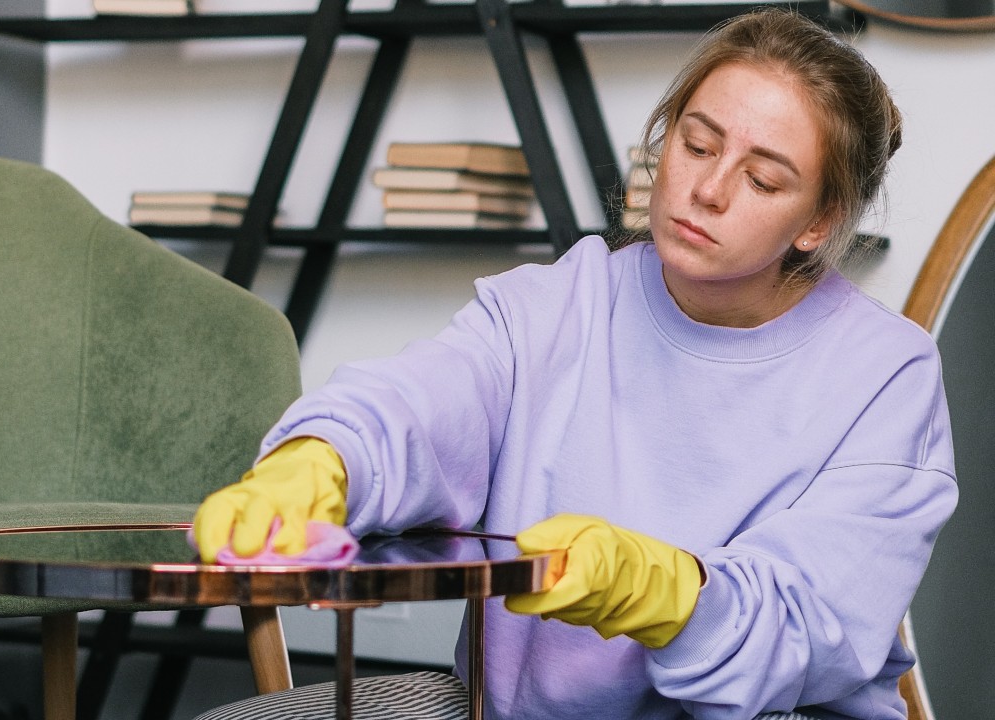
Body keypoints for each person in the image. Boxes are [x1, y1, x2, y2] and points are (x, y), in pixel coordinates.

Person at [191, 7, 958, 720]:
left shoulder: (886, 373)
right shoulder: (559, 303)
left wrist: (665, 593)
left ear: (818, 222)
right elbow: (422, 403)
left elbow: (818, 620)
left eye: (762, 179)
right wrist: (324, 459)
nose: (710, 189)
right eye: (696, 144)